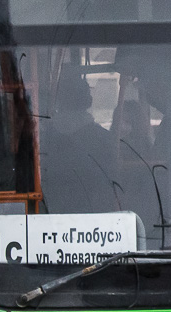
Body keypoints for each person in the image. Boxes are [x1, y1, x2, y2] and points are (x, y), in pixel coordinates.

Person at [38, 74, 116, 213]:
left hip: (48, 214)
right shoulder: (104, 139)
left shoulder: (41, 137)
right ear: (88, 100)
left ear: (58, 100)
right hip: (98, 219)